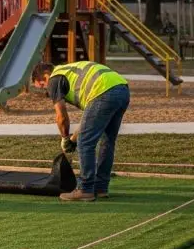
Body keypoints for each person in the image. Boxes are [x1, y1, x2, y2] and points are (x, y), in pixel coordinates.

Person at [32, 60, 131, 201]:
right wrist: (73, 140)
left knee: (85, 143)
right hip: (121, 88)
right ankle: (101, 188)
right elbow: (88, 119)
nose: (46, 91)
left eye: (42, 85)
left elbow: (61, 117)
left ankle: (85, 189)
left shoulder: (54, 79)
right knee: (107, 141)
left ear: (46, 76)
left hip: (103, 91)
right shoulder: (70, 72)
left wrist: (65, 138)